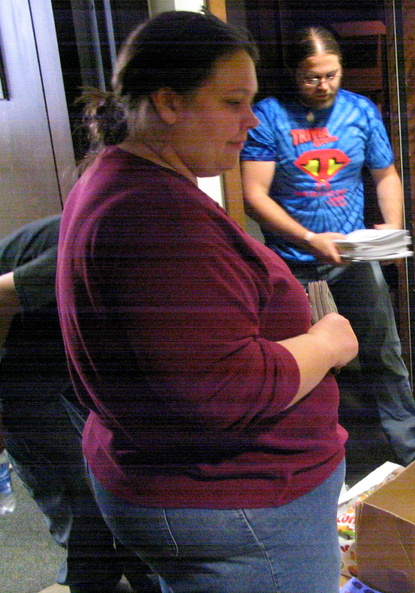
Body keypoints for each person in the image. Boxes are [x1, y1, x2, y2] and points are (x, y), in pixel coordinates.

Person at [56, 11, 358, 593]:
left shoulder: (116, 177)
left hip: (183, 485)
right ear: (168, 102)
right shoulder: (156, 217)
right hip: (234, 502)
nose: (250, 121)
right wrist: (325, 344)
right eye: (232, 102)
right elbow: (223, 388)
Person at [240, 25, 415, 466]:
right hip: (290, 263)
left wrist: (391, 228)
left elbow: (385, 175)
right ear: (294, 73)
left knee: (384, 353)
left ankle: (414, 452)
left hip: (351, 258)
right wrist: (308, 237)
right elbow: (254, 195)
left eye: (332, 74)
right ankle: (306, 457)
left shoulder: (361, 112)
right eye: (312, 77)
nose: (323, 85)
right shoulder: (267, 116)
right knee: (294, 363)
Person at [0, 215, 160, 593]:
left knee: (128, 503)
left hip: (68, 364)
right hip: (27, 375)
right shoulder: (104, 239)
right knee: (84, 523)